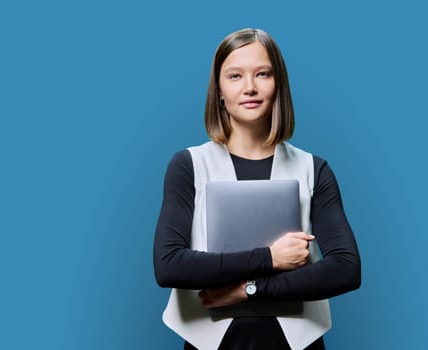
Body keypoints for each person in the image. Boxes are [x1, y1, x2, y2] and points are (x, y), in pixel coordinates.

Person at [153, 28, 361, 350]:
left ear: (279, 85)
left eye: (262, 74)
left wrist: (249, 289)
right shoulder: (188, 166)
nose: (249, 87)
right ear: (219, 90)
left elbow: (346, 269)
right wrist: (270, 258)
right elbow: (169, 265)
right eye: (235, 76)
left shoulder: (313, 169)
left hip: (297, 345)